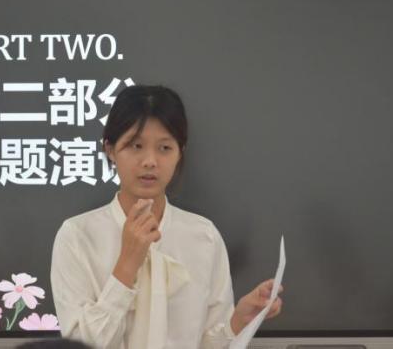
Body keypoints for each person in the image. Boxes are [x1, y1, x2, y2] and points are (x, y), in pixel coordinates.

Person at [50, 85, 283, 349]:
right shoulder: (77, 236)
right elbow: (80, 345)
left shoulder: (203, 236)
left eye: (164, 148)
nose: (150, 161)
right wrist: (127, 263)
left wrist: (238, 322)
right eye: (136, 145)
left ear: (180, 152)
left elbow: (208, 344)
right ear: (110, 150)